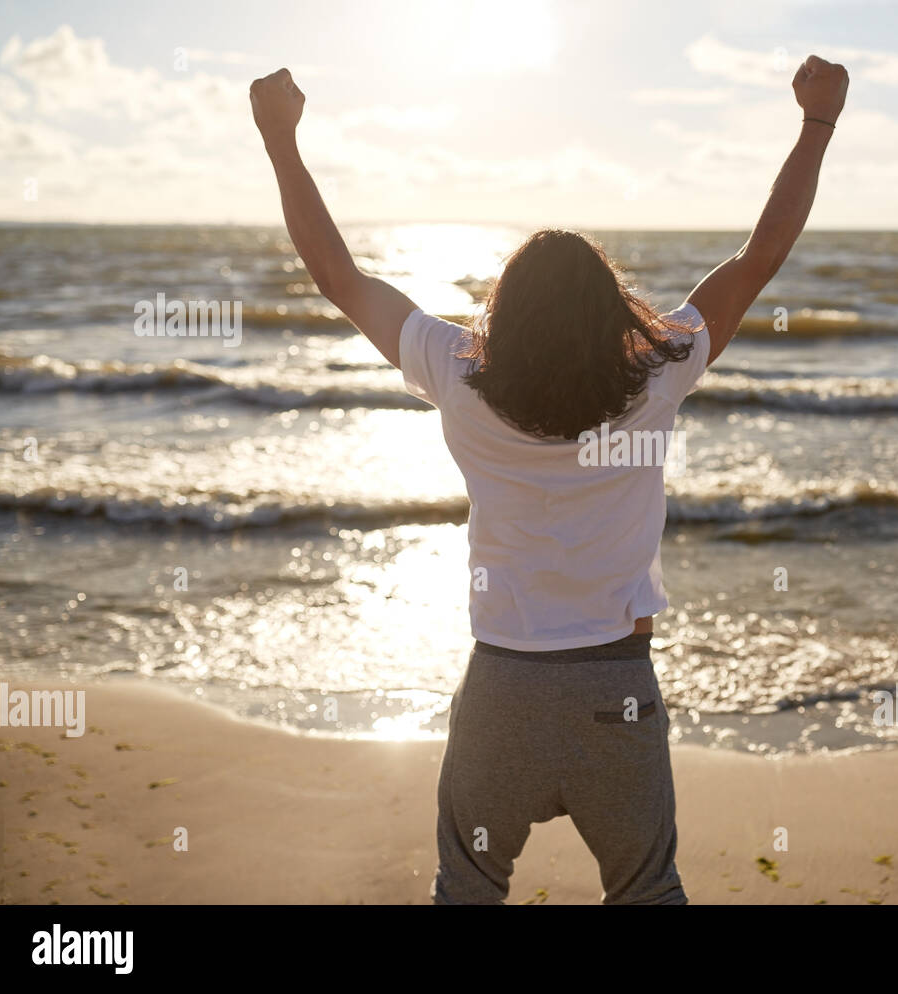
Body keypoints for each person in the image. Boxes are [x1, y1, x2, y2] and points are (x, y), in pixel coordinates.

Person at [250, 53, 848, 904]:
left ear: (506, 308)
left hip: (502, 693)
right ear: (612, 306)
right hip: (617, 690)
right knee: (649, 892)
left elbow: (339, 278)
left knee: (467, 889)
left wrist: (280, 141)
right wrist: (818, 122)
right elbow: (760, 256)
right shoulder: (658, 366)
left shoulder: (456, 368)